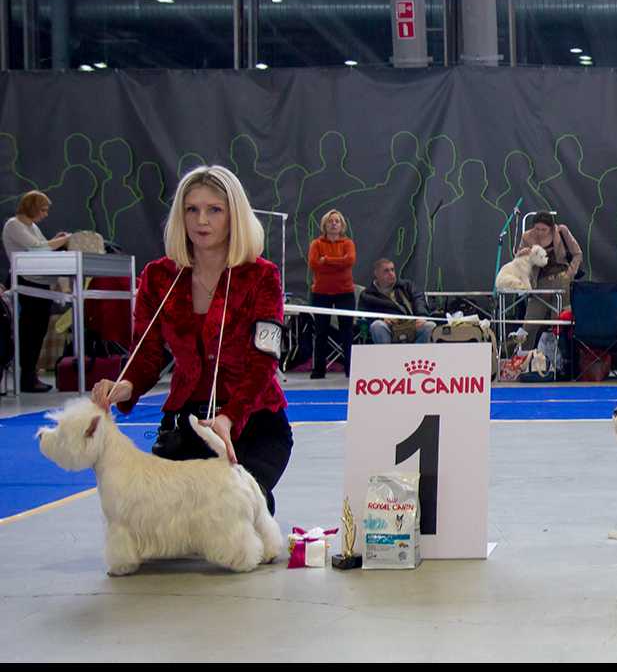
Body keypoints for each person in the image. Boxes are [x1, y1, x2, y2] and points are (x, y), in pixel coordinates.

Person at [91, 166, 292, 515]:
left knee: (234, 510)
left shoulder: (263, 276)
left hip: (253, 423)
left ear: (234, 216)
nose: (202, 220)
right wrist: (126, 385)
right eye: (192, 209)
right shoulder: (157, 277)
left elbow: (264, 360)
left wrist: (229, 418)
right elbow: (146, 353)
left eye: (214, 210)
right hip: (185, 426)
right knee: (162, 520)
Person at [2, 190, 70, 392]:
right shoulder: (14, 224)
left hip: (40, 282)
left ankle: (30, 376)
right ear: (32, 207)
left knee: (38, 330)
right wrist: (63, 240)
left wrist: (56, 240)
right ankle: (27, 377)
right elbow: (38, 248)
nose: (45, 214)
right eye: (43, 210)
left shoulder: (32, 226)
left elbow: (43, 246)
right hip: (26, 281)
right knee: (29, 331)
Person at [518, 211, 582, 349]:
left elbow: (577, 254)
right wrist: (522, 254)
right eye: (537, 229)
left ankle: (560, 356)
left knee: (559, 322)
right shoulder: (527, 237)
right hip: (539, 283)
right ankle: (523, 354)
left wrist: (570, 273)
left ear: (552, 228)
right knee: (530, 322)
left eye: (544, 229)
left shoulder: (562, 231)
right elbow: (519, 260)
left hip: (561, 280)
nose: (540, 232)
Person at [307, 209, 356, 379]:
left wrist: (326, 260)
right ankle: (319, 370)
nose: (334, 224)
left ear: (342, 225)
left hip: (345, 293)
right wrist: (338, 263)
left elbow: (349, 261)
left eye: (337, 221)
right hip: (321, 293)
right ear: (324, 225)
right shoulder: (316, 244)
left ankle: (351, 369)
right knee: (321, 332)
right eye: (330, 221)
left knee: (347, 332)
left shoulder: (348, 243)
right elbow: (314, 264)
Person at [359, 258, 435, 344]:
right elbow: (364, 316)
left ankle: (417, 352)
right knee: (377, 325)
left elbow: (419, 300)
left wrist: (421, 316)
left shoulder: (407, 286)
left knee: (430, 326)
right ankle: (386, 353)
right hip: (388, 327)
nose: (391, 273)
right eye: (386, 271)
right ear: (376, 274)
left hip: (411, 324)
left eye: (392, 270)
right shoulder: (367, 294)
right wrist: (381, 319)